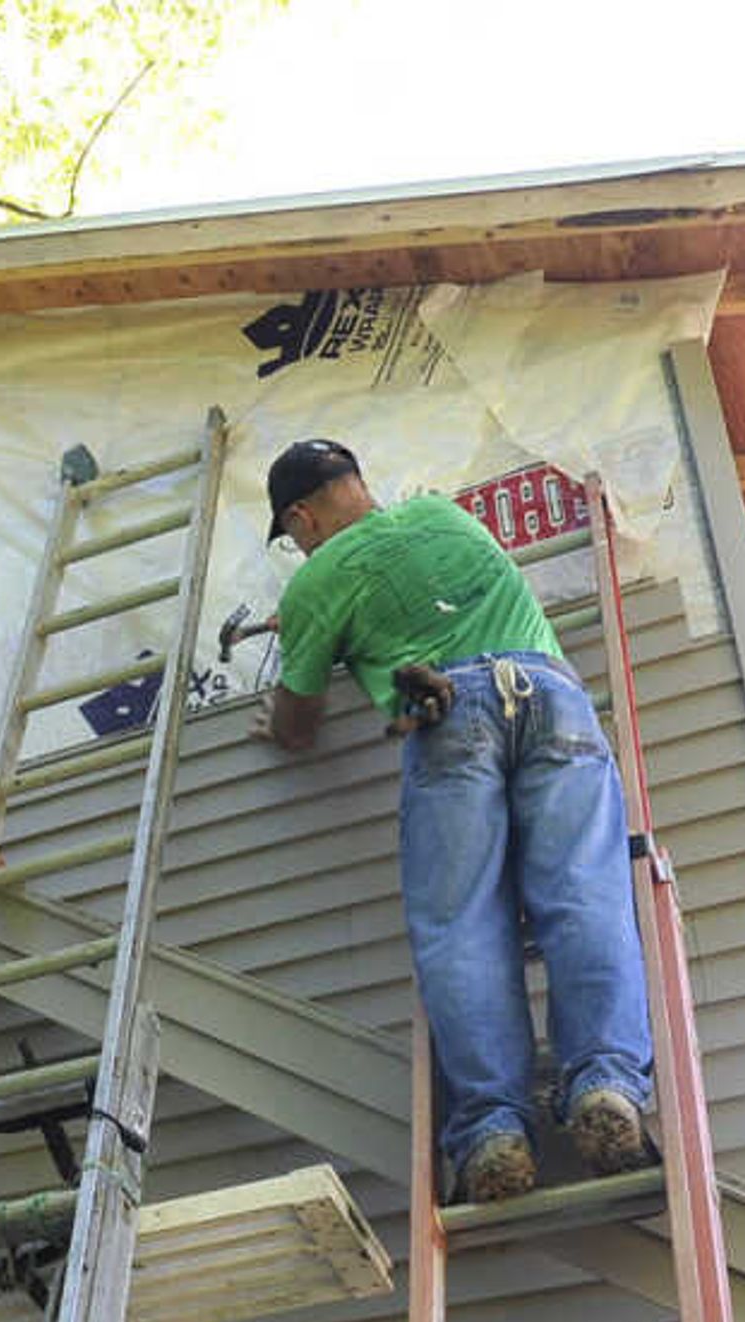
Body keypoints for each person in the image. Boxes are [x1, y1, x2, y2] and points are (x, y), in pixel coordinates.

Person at [258, 438, 652, 1205]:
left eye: (293, 533)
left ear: (301, 517)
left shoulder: (315, 582)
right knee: (585, 897)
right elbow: (420, 586)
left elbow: (298, 722)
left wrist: (305, 641)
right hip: (551, 694)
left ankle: (495, 1130)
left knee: (463, 927)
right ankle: (605, 1087)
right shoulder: (444, 515)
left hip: (445, 713)